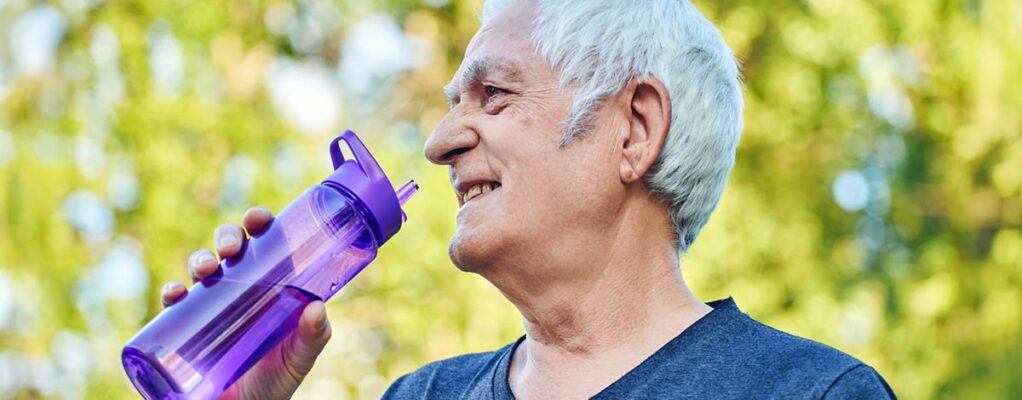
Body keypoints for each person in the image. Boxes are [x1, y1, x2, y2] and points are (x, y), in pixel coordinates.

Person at [160, 0, 897, 398]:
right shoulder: (421, 399)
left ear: (635, 129)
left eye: (494, 94)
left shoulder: (810, 394)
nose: (441, 139)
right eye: (454, 102)